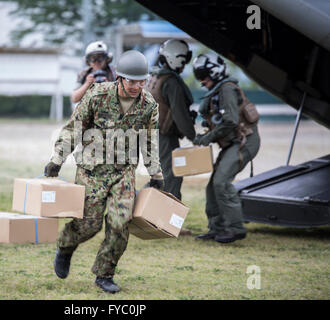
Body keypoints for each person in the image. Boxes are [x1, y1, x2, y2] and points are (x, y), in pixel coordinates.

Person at [45, 50, 163, 293]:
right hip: (92, 172)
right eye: (132, 81)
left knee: (120, 224)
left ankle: (104, 274)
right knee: (89, 224)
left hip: (123, 173)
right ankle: (66, 247)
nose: (136, 86)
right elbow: (74, 128)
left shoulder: (148, 105)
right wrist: (57, 159)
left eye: (141, 81)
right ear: (120, 77)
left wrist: (156, 174)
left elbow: (150, 141)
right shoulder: (97, 95)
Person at [192, 53, 260, 244]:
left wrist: (207, 138)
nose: (201, 81)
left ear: (213, 73)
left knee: (221, 182)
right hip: (234, 142)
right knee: (212, 185)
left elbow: (230, 121)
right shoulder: (219, 90)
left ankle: (235, 228)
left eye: (203, 76)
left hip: (244, 141)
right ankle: (217, 228)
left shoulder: (227, 90)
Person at [146, 39, 196, 201]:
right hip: (164, 138)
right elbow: (180, 115)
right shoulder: (171, 82)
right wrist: (195, 136)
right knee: (172, 178)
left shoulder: (154, 77)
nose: (184, 65)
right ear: (177, 58)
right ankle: (171, 226)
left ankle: (145, 215)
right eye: (184, 60)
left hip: (150, 135)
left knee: (158, 179)